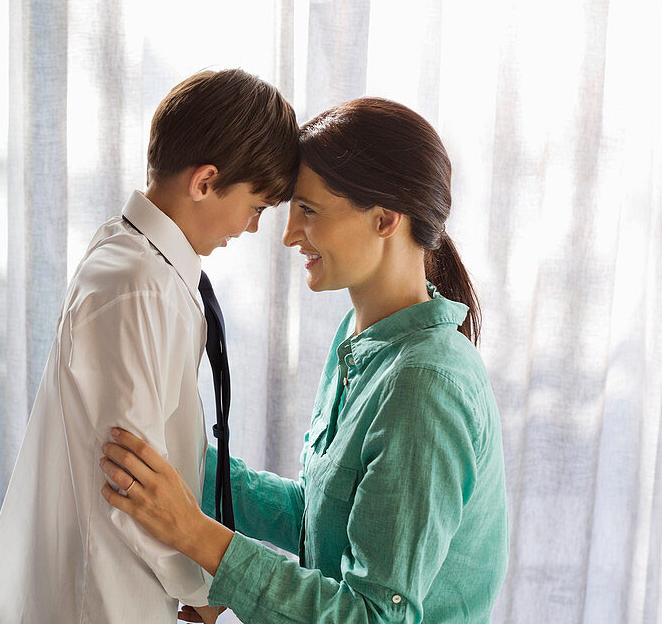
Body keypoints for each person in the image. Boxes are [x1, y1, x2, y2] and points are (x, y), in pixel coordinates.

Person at [100, 97, 509, 623]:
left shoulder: (424, 384)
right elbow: (321, 520)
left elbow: (370, 616)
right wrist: (184, 469)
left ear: (385, 219)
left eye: (309, 211)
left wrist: (200, 538)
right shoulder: (363, 339)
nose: (290, 234)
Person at [0, 69, 300, 624]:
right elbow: (130, 477)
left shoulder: (141, 262)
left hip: (117, 588)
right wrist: (203, 584)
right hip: (102, 596)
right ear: (204, 182)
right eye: (257, 206)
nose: (250, 227)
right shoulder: (138, 284)